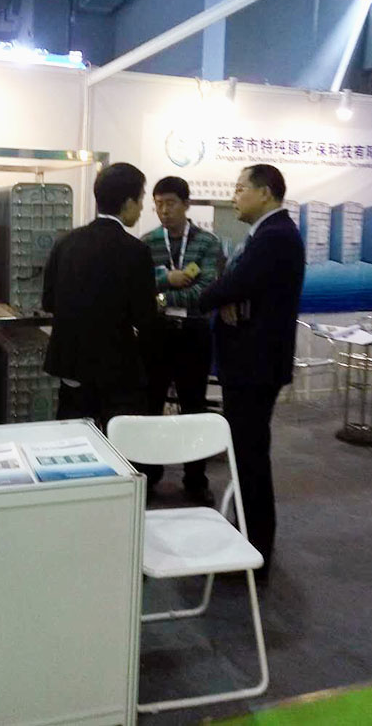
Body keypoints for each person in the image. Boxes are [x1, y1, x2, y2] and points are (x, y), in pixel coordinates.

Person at [197, 164, 305, 579]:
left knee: (251, 456)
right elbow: (240, 286)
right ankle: (248, 537)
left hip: (255, 365)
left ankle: (256, 549)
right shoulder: (268, 234)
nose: (234, 196)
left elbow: (234, 283)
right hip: (251, 363)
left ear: (265, 193)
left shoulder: (275, 236)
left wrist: (213, 296)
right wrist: (229, 295)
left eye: (241, 188)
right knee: (246, 453)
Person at [42, 162, 156, 430]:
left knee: (73, 437)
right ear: (128, 202)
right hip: (117, 368)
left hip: (71, 363)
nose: (142, 208)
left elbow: (48, 302)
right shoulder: (136, 251)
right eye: (141, 200)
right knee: (121, 439)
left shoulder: (65, 242)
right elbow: (145, 318)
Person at [142, 176, 224, 503]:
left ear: (186, 205)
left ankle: (195, 478)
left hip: (194, 333)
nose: (164, 210)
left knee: (193, 407)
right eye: (159, 204)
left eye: (171, 203)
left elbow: (205, 293)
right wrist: (168, 279)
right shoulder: (147, 242)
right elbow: (139, 287)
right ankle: (148, 474)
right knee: (150, 405)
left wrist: (161, 296)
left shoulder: (207, 243)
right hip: (156, 334)